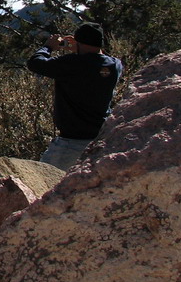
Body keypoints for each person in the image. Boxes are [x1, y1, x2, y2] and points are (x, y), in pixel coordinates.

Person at [27, 21, 123, 170]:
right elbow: (99, 59)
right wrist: (80, 48)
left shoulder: (71, 64)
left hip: (70, 143)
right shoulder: (115, 65)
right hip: (100, 138)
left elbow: (35, 63)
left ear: (79, 42)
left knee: (42, 182)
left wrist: (48, 47)